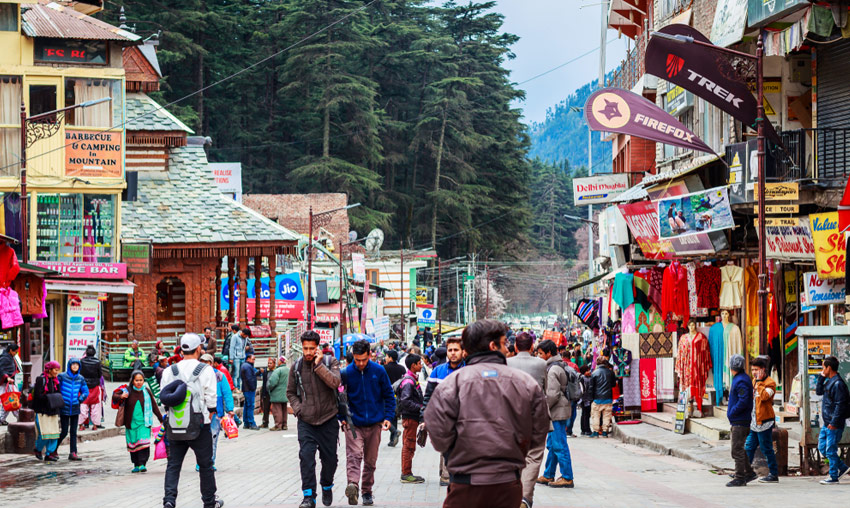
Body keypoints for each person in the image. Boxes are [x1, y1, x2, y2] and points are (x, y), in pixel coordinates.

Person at [425, 319, 548, 508]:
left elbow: (437, 431)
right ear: (493, 346)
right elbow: (539, 433)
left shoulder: (452, 384)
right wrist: (516, 450)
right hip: (507, 485)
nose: (507, 348)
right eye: (504, 342)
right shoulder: (526, 383)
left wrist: (454, 453)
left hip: (464, 483)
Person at [160, 333, 222, 508]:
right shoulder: (206, 370)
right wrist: (210, 413)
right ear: (199, 349)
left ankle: (169, 500)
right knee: (205, 465)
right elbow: (211, 397)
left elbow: (164, 398)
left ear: (181, 349)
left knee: (173, 465)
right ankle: (209, 502)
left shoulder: (169, 371)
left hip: (175, 426)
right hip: (199, 426)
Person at [287, 330, 342, 508]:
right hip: (307, 421)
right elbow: (290, 392)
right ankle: (308, 496)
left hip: (328, 419)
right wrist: (299, 409)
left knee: (330, 460)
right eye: (305, 348)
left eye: (312, 348)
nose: (308, 352)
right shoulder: (296, 367)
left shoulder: (329, 362)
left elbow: (335, 383)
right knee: (306, 457)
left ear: (318, 347)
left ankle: (327, 485)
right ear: (301, 348)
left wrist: (319, 366)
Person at [341, 339, 395, 506]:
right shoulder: (346, 373)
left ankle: (366, 491)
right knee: (354, 456)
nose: (361, 363)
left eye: (364, 359)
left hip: (375, 424)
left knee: (370, 461)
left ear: (370, 355)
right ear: (353, 358)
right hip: (353, 423)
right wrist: (341, 417)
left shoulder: (379, 371)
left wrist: (388, 417)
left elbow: (389, 395)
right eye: (357, 360)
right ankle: (353, 486)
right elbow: (339, 398)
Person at [507, 332, 549, 508]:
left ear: (515, 347)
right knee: (533, 457)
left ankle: (513, 495)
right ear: (532, 347)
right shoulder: (542, 364)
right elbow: (545, 389)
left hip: (512, 418)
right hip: (536, 418)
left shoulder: (506, 363)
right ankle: (525, 498)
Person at [420, 336, 465, 486]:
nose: (452, 353)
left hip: (464, 417)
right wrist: (424, 417)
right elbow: (429, 395)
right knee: (446, 445)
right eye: (450, 350)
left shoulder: (469, 370)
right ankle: (446, 475)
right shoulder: (438, 371)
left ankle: (453, 473)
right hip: (443, 417)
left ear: (463, 351)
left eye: (456, 350)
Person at [535, 339, 574, 489]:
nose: (538, 356)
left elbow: (552, 394)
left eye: (540, 354)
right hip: (557, 410)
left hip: (557, 411)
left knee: (559, 444)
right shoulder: (556, 366)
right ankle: (548, 474)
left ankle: (567, 477)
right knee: (552, 444)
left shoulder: (552, 369)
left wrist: (542, 409)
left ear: (548, 353)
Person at [114, 370, 163, 472]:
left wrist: (161, 419)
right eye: (137, 380)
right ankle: (136, 464)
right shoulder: (127, 390)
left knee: (143, 443)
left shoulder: (146, 391)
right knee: (133, 443)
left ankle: (142, 463)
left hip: (144, 423)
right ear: (132, 381)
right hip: (131, 423)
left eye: (141, 380)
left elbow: (154, 406)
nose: (139, 382)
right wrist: (121, 396)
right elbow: (115, 396)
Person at [744, 357, 779, 483]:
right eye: (752, 369)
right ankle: (744, 472)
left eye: (756, 369)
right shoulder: (754, 381)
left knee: (766, 449)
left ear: (763, 370)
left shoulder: (770, 383)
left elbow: (764, 397)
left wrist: (759, 383)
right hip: (755, 421)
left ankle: (774, 474)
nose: (754, 372)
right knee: (749, 447)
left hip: (765, 421)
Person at [817, 356, 850, 485]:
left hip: (833, 424)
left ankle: (833, 476)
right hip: (827, 423)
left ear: (829, 368)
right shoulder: (830, 381)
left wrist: (834, 423)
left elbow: (840, 405)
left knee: (830, 449)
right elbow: (819, 392)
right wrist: (821, 377)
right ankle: (842, 468)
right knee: (822, 447)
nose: (822, 369)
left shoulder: (838, 384)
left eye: (823, 367)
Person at [725, 354, 754, 487]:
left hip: (740, 421)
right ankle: (748, 472)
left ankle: (740, 477)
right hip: (739, 419)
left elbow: (743, 400)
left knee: (736, 449)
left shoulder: (741, 380)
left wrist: (732, 412)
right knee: (740, 449)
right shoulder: (741, 378)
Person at [200, 353, 234, 470]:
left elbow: (227, 393)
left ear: (212, 363)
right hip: (200, 411)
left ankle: (210, 462)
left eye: (207, 362)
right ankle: (201, 462)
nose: (204, 365)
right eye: (202, 362)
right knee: (200, 439)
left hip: (216, 412)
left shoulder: (219, 376)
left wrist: (229, 409)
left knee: (213, 438)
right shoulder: (197, 375)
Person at [398, 354, 425, 484]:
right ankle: (406, 473)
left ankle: (407, 472)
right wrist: (420, 407)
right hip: (410, 418)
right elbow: (405, 401)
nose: (421, 365)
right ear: (413, 365)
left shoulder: (413, 378)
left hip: (412, 418)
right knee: (408, 446)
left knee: (409, 445)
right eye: (419, 363)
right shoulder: (409, 381)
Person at [57, 357, 89, 461]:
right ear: (69, 365)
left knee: (73, 432)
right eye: (73, 364)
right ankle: (53, 449)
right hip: (64, 407)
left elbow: (85, 391)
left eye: (77, 365)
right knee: (64, 431)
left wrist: (80, 399)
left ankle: (73, 452)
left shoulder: (80, 378)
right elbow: (56, 388)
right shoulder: (62, 376)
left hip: (75, 407)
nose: (75, 366)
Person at [33, 361, 63, 461]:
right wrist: (50, 398)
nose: (56, 372)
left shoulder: (55, 381)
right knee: (44, 434)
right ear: (49, 369)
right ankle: (38, 449)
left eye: (58, 370)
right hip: (42, 411)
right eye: (55, 370)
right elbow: (37, 396)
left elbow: (58, 392)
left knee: (54, 434)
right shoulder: (41, 379)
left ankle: (49, 454)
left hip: (53, 410)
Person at [382, 350, 406, 447]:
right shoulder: (402, 368)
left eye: (387, 356)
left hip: (386, 395)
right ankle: (393, 439)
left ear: (391, 358)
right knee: (394, 416)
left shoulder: (384, 368)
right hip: (398, 395)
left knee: (384, 415)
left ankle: (394, 431)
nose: (385, 358)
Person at [79, 345, 105, 431]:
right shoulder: (97, 362)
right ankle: (95, 425)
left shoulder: (81, 361)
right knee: (96, 407)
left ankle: (81, 425)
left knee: (83, 406)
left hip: (84, 387)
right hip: (95, 386)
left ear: (86, 352)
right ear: (94, 353)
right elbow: (100, 374)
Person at [588, 359, 616, 437]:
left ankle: (596, 432)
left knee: (596, 415)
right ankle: (604, 431)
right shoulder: (611, 373)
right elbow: (613, 384)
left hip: (597, 398)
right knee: (607, 415)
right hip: (608, 397)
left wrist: (591, 398)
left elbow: (591, 387)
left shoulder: (594, 373)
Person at [1, 343, 21, 425]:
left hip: (9, 383)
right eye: (15, 352)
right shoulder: (5, 358)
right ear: (10, 350)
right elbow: (1, 369)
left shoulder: (9, 357)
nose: (15, 354)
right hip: (7, 383)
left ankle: (1, 419)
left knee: (8, 401)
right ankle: (20, 417)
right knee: (12, 400)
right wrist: (7, 377)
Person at [267, 356, 289, 430]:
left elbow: (273, 382)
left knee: (277, 409)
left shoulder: (278, 370)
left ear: (281, 362)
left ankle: (278, 425)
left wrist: (269, 388)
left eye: (278, 361)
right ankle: (284, 425)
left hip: (277, 393)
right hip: (285, 393)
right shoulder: (288, 370)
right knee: (284, 409)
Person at [240, 353, 260, 430]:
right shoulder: (247, 366)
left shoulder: (246, 366)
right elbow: (249, 378)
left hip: (246, 388)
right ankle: (251, 423)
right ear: (248, 359)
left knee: (247, 405)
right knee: (250, 405)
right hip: (249, 389)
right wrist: (253, 387)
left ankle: (246, 422)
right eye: (252, 359)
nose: (253, 360)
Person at [261, 357, 276, 428]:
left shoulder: (276, 371)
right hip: (266, 393)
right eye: (268, 363)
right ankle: (265, 422)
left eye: (271, 363)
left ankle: (277, 423)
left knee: (275, 409)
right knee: (265, 408)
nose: (269, 365)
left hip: (274, 392)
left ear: (274, 364)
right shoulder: (266, 372)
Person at [578, 365, 594, 436]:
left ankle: (584, 429)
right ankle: (587, 429)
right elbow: (583, 389)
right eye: (587, 371)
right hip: (585, 399)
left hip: (585, 399)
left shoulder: (585, 378)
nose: (589, 372)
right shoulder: (583, 378)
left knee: (584, 414)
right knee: (586, 414)